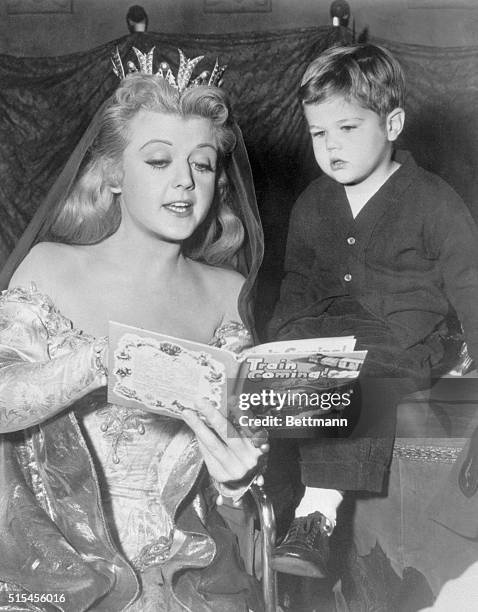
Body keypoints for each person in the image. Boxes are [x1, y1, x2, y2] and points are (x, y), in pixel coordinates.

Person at [0, 48, 266, 612]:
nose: (184, 183)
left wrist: (239, 480)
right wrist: (102, 360)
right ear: (114, 173)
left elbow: (237, 461)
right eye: (158, 161)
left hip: (185, 576)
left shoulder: (226, 295)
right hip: (56, 571)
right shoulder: (50, 267)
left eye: (202, 164)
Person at [267, 43, 478, 580]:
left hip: (402, 340)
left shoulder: (434, 200)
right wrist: (279, 346)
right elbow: (297, 284)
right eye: (318, 133)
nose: (330, 146)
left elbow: (471, 284)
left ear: (392, 124)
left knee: (362, 379)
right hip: (328, 333)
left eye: (348, 129)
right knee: (270, 389)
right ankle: (271, 519)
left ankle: (315, 514)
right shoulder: (314, 202)